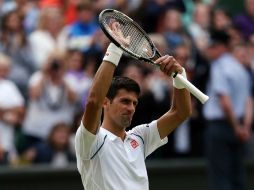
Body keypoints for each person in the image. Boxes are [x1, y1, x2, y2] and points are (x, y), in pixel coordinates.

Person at [75, 22, 192, 189]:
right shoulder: (91, 140)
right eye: (124, 101)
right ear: (106, 102)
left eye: (134, 103)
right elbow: (93, 101)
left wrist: (180, 75)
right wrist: (115, 49)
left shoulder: (140, 137)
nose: (131, 108)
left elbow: (181, 112)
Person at [203, 30, 253, 190]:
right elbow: (248, 101)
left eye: (212, 47)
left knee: (220, 180)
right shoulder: (240, 68)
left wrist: (236, 127)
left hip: (221, 128)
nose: (209, 50)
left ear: (221, 47)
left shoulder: (219, 67)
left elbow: (225, 102)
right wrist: (245, 127)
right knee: (237, 177)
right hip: (238, 128)